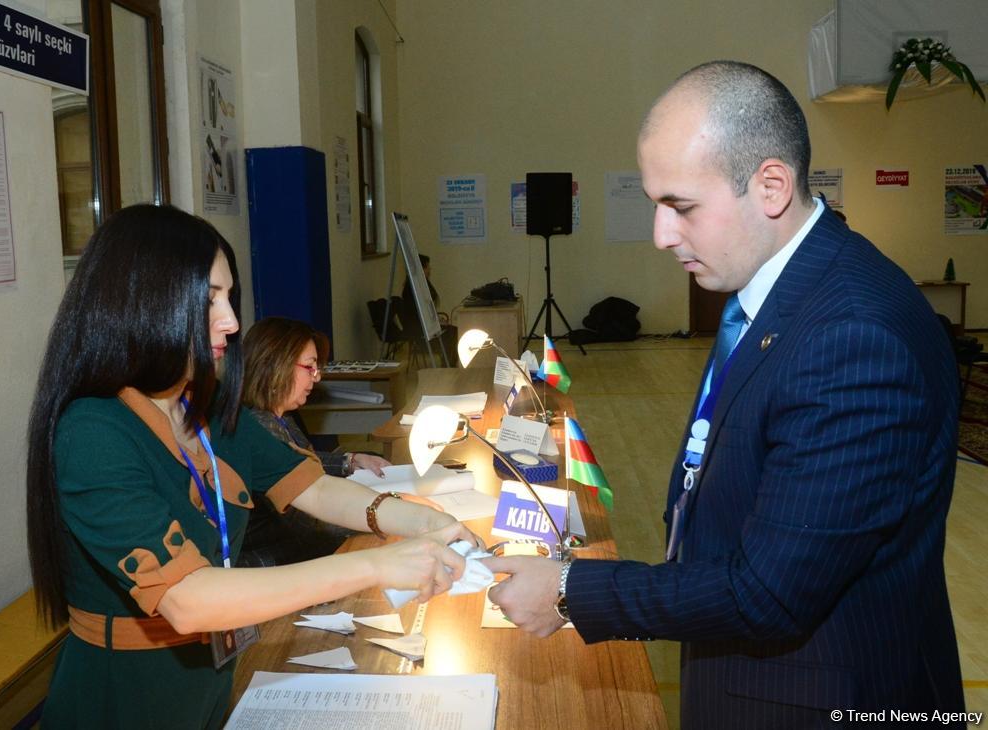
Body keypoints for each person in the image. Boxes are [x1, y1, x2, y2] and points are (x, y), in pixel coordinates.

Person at [484, 61, 964, 728]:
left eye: (680, 206)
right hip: (745, 667)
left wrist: (570, 590)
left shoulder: (852, 337)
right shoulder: (777, 286)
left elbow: (772, 593)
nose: (661, 234)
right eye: (655, 204)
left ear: (770, 185)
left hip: (817, 697)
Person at [26, 204, 479, 729]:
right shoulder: (94, 431)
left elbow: (320, 490)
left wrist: (425, 521)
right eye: (210, 299)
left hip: (211, 678)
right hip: (127, 695)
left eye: (230, 297)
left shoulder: (208, 408)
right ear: (144, 303)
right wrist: (375, 566)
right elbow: (187, 599)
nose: (232, 321)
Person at [238, 316, 393, 565]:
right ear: (277, 365)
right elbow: (315, 523)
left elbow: (296, 460)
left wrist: (351, 461)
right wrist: (386, 512)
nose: (317, 377)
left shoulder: (279, 416)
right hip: (279, 564)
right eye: (310, 367)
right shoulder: (259, 427)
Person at [401, 253, 458, 366]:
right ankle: (447, 364)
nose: (429, 269)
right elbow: (418, 313)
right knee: (451, 333)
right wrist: (435, 321)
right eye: (427, 267)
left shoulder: (421, 285)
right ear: (421, 269)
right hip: (419, 329)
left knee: (453, 330)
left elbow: (425, 308)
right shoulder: (412, 290)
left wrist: (436, 318)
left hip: (426, 324)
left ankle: (448, 363)